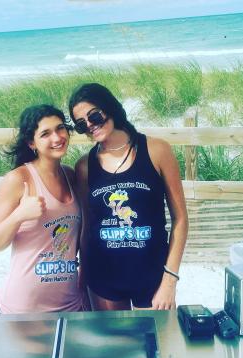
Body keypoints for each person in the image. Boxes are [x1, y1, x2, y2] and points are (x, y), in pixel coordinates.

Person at [69, 83, 188, 311]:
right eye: (81, 124)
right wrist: (83, 277)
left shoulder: (156, 150)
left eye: (94, 115)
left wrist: (169, 280)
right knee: (115, 346)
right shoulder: (84, 166)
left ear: (110, 108)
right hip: (103, 279)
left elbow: (180, 219)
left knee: (156, 344)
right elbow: (88, 226)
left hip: (152, 278)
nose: (91, 125)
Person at [0, 104, 85, 313]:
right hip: (23, 309)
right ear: (32, 143)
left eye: (60, 128)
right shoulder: (19, 179)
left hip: (70, 305)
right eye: (45, 133)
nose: (57, 138)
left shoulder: (70, 175)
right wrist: (19, 215)